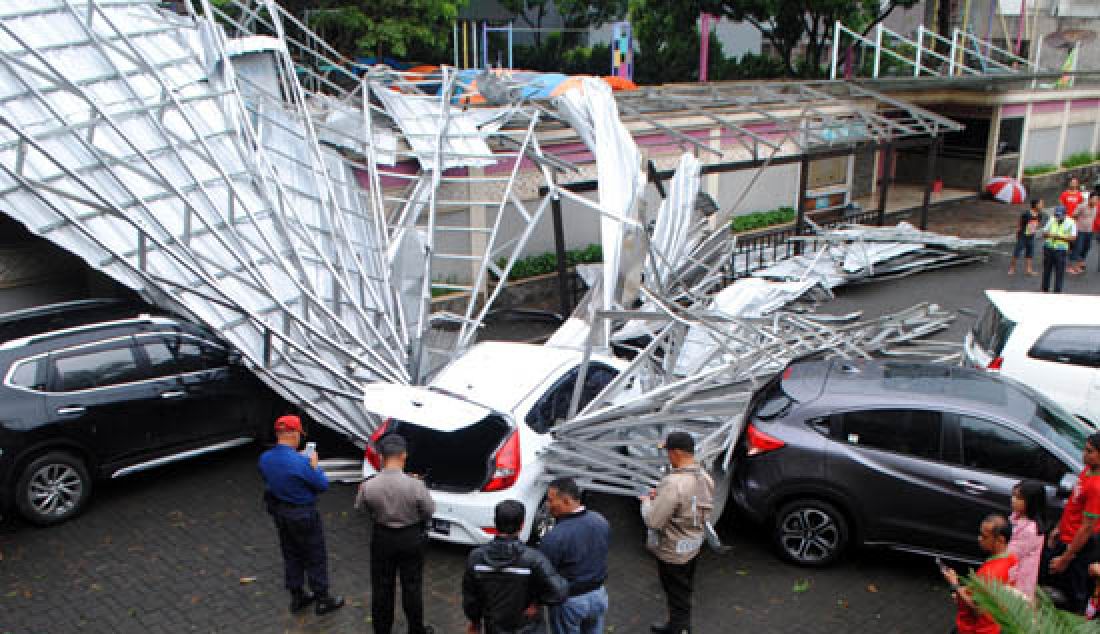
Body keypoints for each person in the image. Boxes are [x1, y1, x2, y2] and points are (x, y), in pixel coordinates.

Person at [258, 414, 345, 616]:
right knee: (315, 555)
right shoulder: (301, 462)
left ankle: (297, 596)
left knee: (291, 553)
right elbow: (322, 485)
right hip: (303, 515)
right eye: (299, 434)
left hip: (280, 513)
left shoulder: (265, 459)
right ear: (294, 433)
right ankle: (323, 599)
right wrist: (314, 466)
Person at [357, 434, 436, 634]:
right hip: (410, 538)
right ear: (403, 455)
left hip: (382, 538)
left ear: (381, 457)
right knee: (412, 586)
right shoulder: (416, 485)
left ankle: (382, 630)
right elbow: (429, 511)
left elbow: (361, 508)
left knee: (382, 587)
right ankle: (416, 629)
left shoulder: (369, 485)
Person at [640, 432, 715, 634]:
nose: (668, 457)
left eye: (668, 452)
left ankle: (681, 629)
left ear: (676, 452)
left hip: (673, 552)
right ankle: (674, 626)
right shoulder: (705, 477)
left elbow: (654, 521)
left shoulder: (674, 483)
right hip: (693, 545)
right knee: (683, 591)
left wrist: (648, 502)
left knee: (677, 595)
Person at [462, 500, 569, 634]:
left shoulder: (476, 558)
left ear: (495, 522)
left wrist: (475, 622)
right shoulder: (534, 559)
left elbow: (471, 598)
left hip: (494, 627)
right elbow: (560, 591)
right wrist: (537, 603)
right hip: (528, 628)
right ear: (522, 525)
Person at [538, 477, 611, 634]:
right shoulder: (600, 520)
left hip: (570, 602)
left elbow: (544, 574)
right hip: (599, 596)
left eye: (551, 500)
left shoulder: (555, 537)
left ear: (566, 501)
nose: (547, 505)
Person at [1045, 432, 1100, 614]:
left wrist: (1065, 558)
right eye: (1085, 450)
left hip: (1079, 547)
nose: (1084, 455)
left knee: (1073, 595)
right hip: (1066, 537)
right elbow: (1073, 504)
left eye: (1090, 451)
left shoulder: (1096, 486)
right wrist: (1059, 528)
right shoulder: (1088, 470)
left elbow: (1087, 528)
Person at [941, 514, 1018, 634]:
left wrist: (954, 584)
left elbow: (977, 609)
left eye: (984, 536)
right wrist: (964, 591)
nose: (979, 539)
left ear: (1001, 540)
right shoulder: (1012, 559)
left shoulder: (991, 572)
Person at [1007, 480, 1046, 599]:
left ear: (1031, 502)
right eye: (1013, 495)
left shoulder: (1030, 530)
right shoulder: (1017, 519)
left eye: (1019, 498)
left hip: (1018, 583)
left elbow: (1011, 556)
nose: (1013, 500)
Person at [1040, 205, 1076, 293]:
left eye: (1059, 215)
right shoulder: (1052, 219)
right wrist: (1049, 235)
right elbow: (1044, 233)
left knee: (1059, 271)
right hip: (1048, 248)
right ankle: (1044, 289)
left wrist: (1059, 237)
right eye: (1056, 215)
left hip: (1061, 250)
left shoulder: (1071, 222)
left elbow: (1073, 238)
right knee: (1046, 270)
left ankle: (1057, 291)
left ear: (1065, 214)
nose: (1057, 217)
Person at [1008, 199, 1044, 276]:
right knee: (1017, 252)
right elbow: (1020, 224)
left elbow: (1038, 224)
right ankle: (1012, 268)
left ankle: (1029, 270)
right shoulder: (1026, 214)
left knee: (1030, 253)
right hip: (1023, 236)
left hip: (1031, 235)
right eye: (1040, 204)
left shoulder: (1040, 214)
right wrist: (1018, 234)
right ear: (1036, 205)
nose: (1042, 205)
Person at [1071, 189, 1097, 274]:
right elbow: (1074, 215)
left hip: (1089, 231)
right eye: (1094, 199)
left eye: (1097, 199)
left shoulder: (1095, 208)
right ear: (1089, 199)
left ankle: (1081, 262)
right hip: (1080, 231)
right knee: (1078, 248)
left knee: (1087, 247)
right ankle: (1074, 267)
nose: (1095, 201)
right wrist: (1076, 226)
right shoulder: (1082, 206)